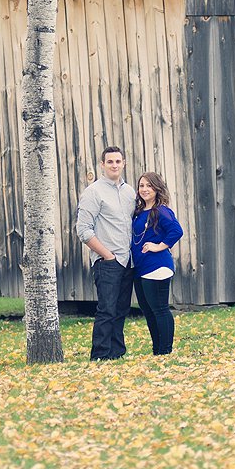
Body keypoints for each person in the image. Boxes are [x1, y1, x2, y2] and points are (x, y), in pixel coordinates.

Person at [75, 145, 137, 360]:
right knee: (107, 310)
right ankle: (100, 355)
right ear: (102, 165)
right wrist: (107, 255)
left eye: (118, 161)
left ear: (124, 163)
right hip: (107, 261)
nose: (114, 165)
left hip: (128, 261)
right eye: (110, 161)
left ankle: (117, 353)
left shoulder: (130, 192)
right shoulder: (93, 192)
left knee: (121, 310)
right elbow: (83, 230)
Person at [131, 172, 183, 356]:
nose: (145, 189)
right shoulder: (139, 212)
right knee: (148, 310)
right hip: (141, 267)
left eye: (149, 186)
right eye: (142, 185)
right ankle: (157, 350)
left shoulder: (161, 211)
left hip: (157, 267)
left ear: (157, 189)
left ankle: (165, 351)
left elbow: (176, 231)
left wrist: (158, 246)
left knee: (160, 309)